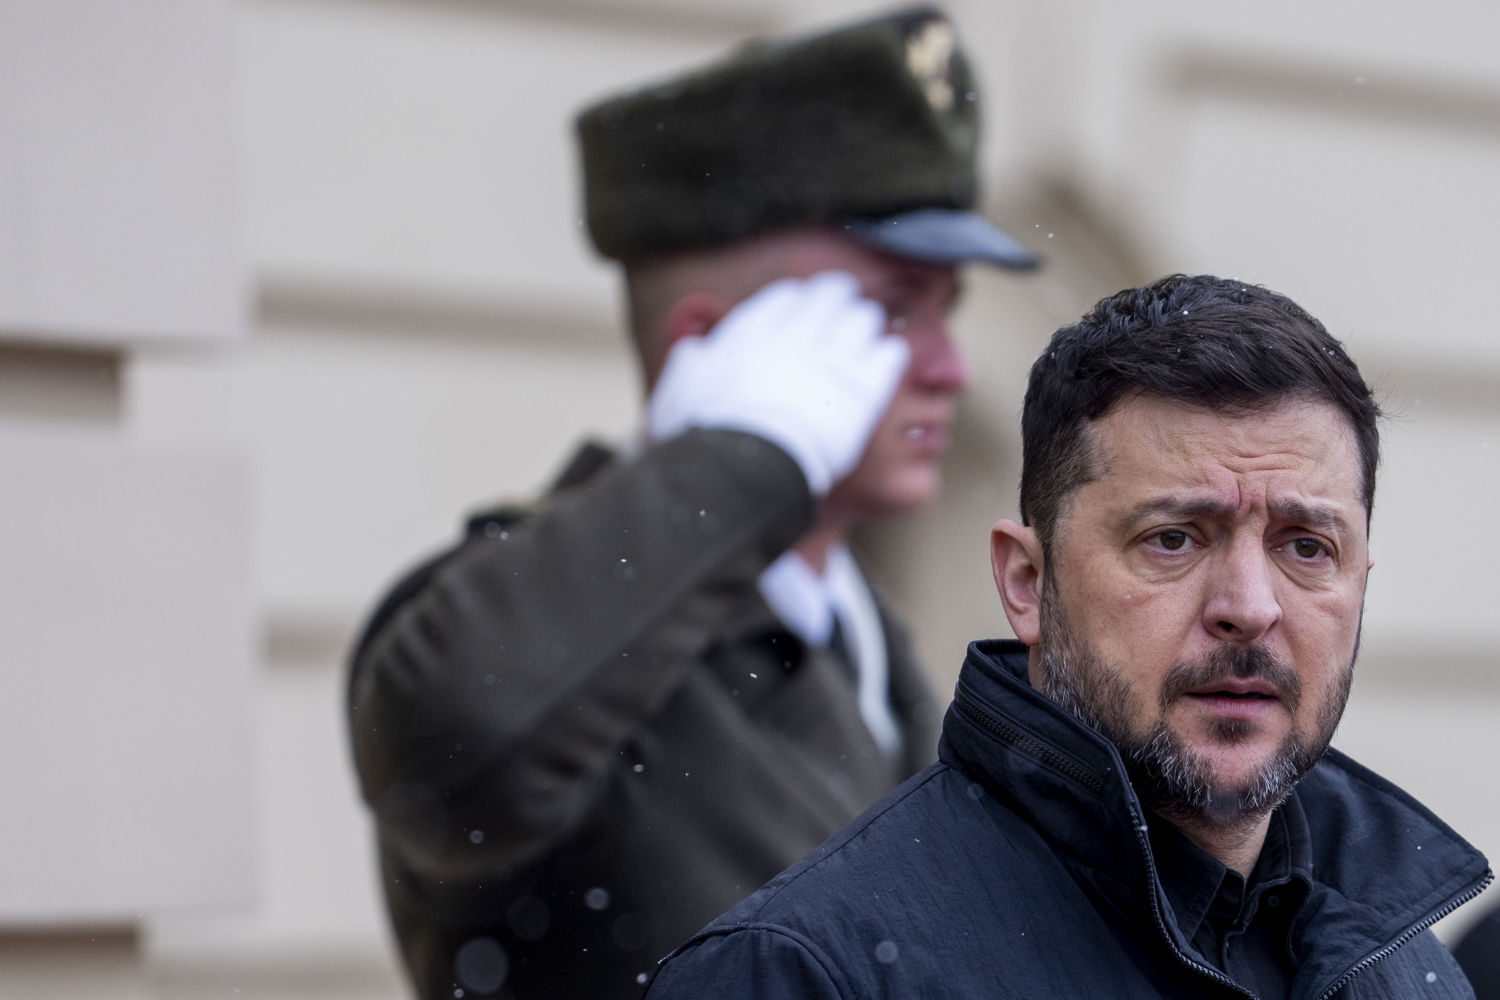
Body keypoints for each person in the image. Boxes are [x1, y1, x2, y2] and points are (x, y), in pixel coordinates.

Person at [345, 8, 1038, 1000]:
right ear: (716, 345)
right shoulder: (551, 629)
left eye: (946, 310)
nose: (948, 368)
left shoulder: (864, 641)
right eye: (891, 311)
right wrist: (743, 458)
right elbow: (457, 734)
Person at [645, 274, 1494, 1000]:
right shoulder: (808, 973)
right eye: (1173, 538)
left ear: (1360, 583)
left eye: (1305, 547)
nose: (1249, 606)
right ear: (1027, 583)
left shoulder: (1405, 974)